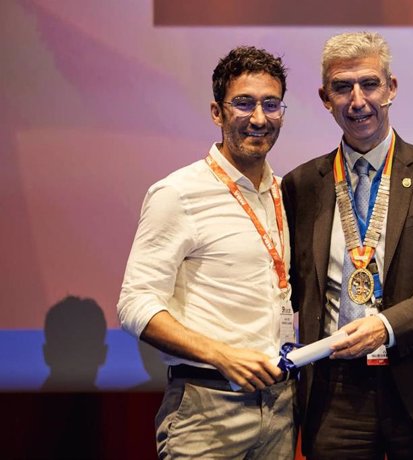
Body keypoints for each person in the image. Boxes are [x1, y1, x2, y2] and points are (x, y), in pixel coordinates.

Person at [282, 32, 413, 459]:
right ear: (325, 97)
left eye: (369, 84)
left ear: (391, 88)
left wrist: (387, 326)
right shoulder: (301, 185)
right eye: (343, 87)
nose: (358, 100)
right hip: (335, 397)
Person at [118, 46, 296, 459]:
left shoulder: (285, 193)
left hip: (281, 405)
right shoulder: (178, 193)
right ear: (217, 113)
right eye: (244, 103)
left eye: (271, 104)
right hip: (207, 406)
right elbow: (134, 305)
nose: (259, 118)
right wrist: (220, 355)